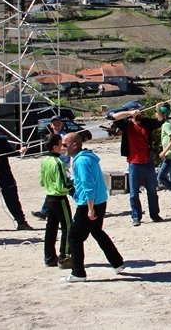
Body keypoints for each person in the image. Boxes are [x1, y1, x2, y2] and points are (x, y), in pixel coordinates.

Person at [64, 132, 125, 282]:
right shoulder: (87, 157)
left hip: (89, 204)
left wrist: (90, 209)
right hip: (100, 201)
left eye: (65, 145)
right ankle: (117, 262)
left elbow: (88, 185)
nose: (62, 148)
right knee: (97, 231)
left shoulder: (81, 161)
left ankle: (78, 273)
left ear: (74, 145)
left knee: (74, 237)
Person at [112, 107, 164, 226]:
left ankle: (154, 214)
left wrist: (158, 109)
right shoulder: (127, 124)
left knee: (152, 191)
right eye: (137, 111)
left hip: (148, 163)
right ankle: (136, 217)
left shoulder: (147, 123)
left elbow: (160, 121)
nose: (140, 113)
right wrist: (130, 113)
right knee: (134, 193)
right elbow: (113, 116)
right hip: (134, 164)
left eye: (141, 111)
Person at [39, 133, 73, 268]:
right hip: (59, 198)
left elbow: (42, 181)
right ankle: (64, 257)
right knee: (68, 227)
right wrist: (72, 182)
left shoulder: (45, 161)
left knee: (51, 228)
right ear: (55, 147)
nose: (63, 147)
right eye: (61, 145)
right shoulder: (58, 163)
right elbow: (63, 184)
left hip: (49, 197)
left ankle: (49, 257)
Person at [32, 115, 68, 221]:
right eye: (54, 124)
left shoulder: (64, 136)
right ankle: (44, 212)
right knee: (52, 190)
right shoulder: (51, 136)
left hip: (63, 166)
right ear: (51, 125)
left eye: (58, 123)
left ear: (61, 123)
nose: (56, 125)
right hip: (54, 165)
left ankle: (86, 206)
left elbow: (66, 149)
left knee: (69, 188)